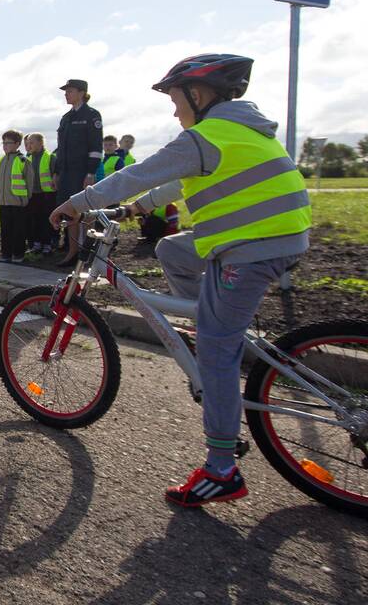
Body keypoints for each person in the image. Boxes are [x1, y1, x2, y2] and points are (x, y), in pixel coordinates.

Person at [49, 53, 310, 508]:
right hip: (274, 238)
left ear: (199, 94)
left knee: (217, 348)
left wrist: (76, 204)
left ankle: (221, 469)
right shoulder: (241, 131)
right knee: (172, 249)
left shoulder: (204, 136)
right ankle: (205, 324)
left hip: (251, 248)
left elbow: (140, 172)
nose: (173, 110)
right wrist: (135, 210)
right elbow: (172, 185)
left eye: (175, 98)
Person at [53, 78, 103, 266]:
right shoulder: (66, 118)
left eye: (70, 91)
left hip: (82, 171)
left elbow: (96, 147)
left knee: (86, 211)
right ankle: (73, 251)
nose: (66, 94)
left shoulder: (92, 115)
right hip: (66, 173)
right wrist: (57, 172)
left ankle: (88, 251)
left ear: (82, 93)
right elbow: (60, 149)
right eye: (65, 91)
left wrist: (90, 172)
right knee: (70, 210)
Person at [0, 130, 29, 263]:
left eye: (8, 143)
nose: (5, 145)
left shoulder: (22, 160)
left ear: (17, 144)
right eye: (3, 142)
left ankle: (18, 255)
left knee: (18, 230)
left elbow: (29, 181)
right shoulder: (1, 160)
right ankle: (5, 254)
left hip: (18, 202)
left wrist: (25, 199)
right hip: (4, 202)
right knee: (5, 229)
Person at [23, 133, 57, 254]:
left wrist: (55, 179)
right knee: (35, 219)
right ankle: (37, 244)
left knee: (46, 219)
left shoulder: (50, 157)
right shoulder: (29, 158)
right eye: (28, 143)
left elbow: (56, 173)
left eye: (32, 142)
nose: (29, 145)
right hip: (34, 194)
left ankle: (48, 244)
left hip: (47, 194)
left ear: (40, 143)